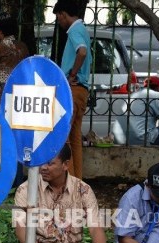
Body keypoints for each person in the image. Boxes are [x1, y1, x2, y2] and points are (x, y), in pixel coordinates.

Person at [13, 143, 114, 243]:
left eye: (50, 163)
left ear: (65, 165)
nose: (43, 167)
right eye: (42, 162)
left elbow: (95, 227)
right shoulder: (26, 189)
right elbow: (20, 227)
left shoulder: (83, 190)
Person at [53, 0, 92, 178]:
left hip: (73, 89)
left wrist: (72, 74)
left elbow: (81, 51)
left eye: (58, 17)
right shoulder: (82, 29)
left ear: (63, 14)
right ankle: (78, 180)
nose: (59, 22)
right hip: (82, 90)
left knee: (65, 138)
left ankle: (70, 182)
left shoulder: (74, 31)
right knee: (75, 138)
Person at [123, 77, 159, 146]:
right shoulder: (155, 95)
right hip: (143, 138)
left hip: (126, 137)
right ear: (158, 87)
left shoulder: (135, 94)